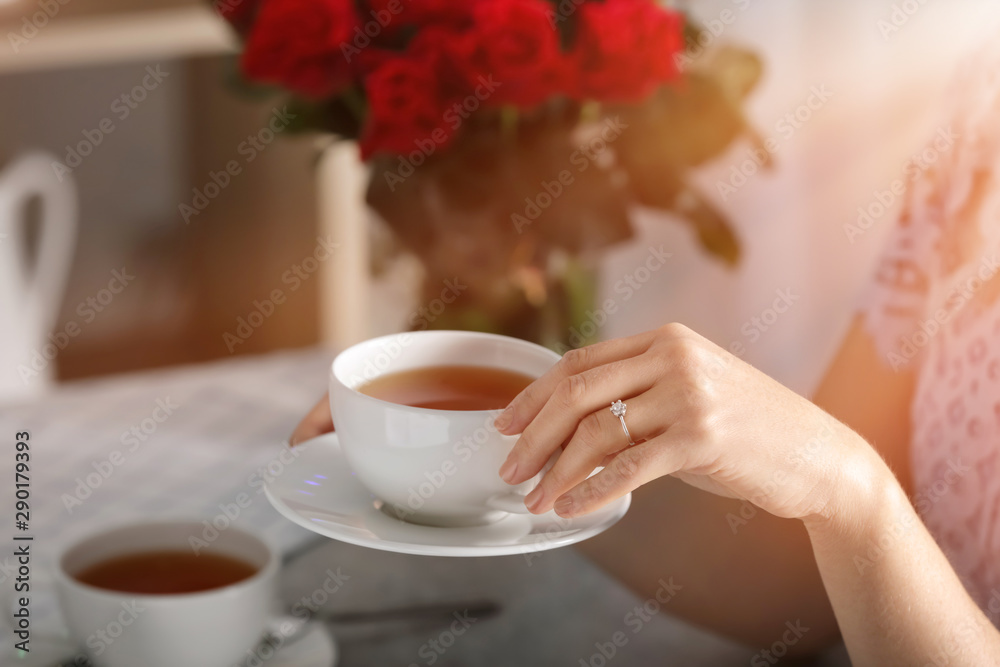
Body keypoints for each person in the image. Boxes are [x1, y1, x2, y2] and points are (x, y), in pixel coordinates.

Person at [291, 40, 1000, 664]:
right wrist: (500, 456)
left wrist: (850, 486)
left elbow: (852, 498)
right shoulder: (977, 109)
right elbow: (800, 575)